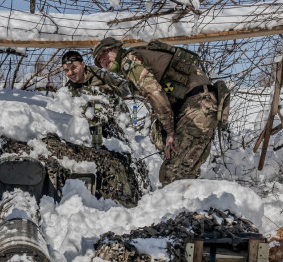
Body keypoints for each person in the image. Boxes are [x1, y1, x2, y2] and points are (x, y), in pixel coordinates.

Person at [92, 37, 218, 185]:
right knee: (185, 173)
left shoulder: (130, 60)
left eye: (106, 52)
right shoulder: (138, 57)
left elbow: (155, 93)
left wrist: (170, 130)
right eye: (99, 60)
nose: (103, 59)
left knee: (172, 175)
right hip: (202, 103)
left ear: (117, 48)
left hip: (197, 105)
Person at [61, 50, 129, 97]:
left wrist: (112, 94)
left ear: (83, 64)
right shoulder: (68, 88)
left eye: (74, 67)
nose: (70, 73)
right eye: (66, 70)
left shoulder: (99, 75)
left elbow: (126, 85)